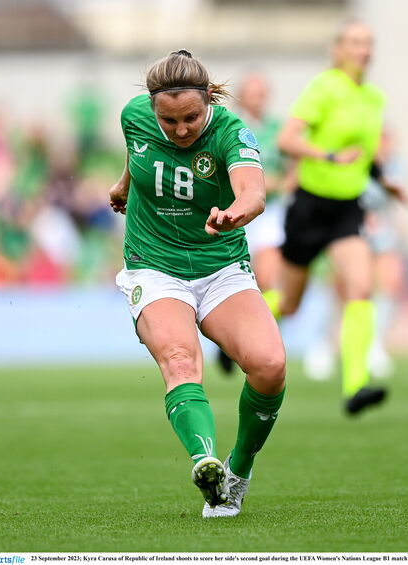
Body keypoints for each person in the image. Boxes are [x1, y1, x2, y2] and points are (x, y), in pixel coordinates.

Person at [108, 50, 286, 518]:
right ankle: (204, 462)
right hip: (153, 264)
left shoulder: (232, 131)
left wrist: (233, 214)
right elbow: (138, 148)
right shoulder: (134, 117)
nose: (181, 130)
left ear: (208, 99)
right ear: (152, 108)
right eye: (169, 121)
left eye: (190, 117)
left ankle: (237, 470)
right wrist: (125, 184)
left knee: (269, 366)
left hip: (220, 265)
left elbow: (253, 192)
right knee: (180, 359)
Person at [269, 20, 408, 415]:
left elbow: (365, 154)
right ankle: (237, 335)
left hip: (348, 208)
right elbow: (287, 139)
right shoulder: (324, 87)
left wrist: (385, 181)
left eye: (368, 43)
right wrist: (327, 156)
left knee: (360, 288)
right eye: (355, 42)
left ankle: (355, 385)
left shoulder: (373, 98)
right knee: (291, 302)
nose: (363, 49)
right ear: (338, 50)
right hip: (310, 205)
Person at [217, 72, 293, 374]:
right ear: (242, 97)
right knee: (233, 282)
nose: (259, 98)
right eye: (253, 93)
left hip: (269, 213)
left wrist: (281, 184)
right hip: (234, 211)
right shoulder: (228, 127)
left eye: (263, 93)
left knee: (269, 280)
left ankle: (259, 340)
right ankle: (233, 339)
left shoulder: (279, 129)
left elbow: (294, 170)